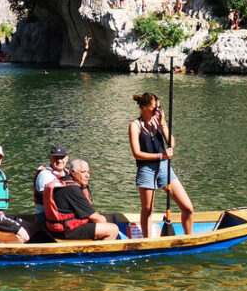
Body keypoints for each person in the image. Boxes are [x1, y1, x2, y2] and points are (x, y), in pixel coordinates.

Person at [128, 92, 194, 237]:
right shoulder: (135, 125)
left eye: (159, 107)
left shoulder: (159, 121)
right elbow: (137, 153)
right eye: (154, 108)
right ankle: (147, 241)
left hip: (164, 167)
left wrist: (163, 124)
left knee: (188, 207)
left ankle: (190, 237)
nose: (157, 111)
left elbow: (172, 143)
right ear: (144, 107)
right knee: (147, 210)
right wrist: (160, 155)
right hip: (146, 169)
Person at [42, 159, 120, 240]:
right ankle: (100, 252)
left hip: (61, 227)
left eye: (88, 172)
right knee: (113, 229)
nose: (87, 176)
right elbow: (96, 218)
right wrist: (106, 226)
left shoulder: (65, 182)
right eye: (83, 172)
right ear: (73, 172)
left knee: (103, 219)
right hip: (67, 231)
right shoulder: (72, 189)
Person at [34, 145, 72, 230]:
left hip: (63, 215)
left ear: (67, 158)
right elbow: (56, 199)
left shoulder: (68, 173)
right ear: (50, 158)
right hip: (45, 217)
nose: (59, 161)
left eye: (62, 157)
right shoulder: (44, 174)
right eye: (56, 158)